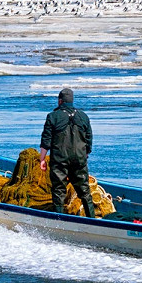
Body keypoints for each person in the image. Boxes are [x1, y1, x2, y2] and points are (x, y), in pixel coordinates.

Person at [39, 88, 95, 218]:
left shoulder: (52, 116)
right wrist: (85, 154)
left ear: (60, 101)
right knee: (85, 191)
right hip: (79, 159)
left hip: (59, 160)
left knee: (59, 190)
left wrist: (42, 159)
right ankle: (92, 219)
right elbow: (89, 138)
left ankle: (60, 219)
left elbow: (46, 140)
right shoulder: (83, 116)